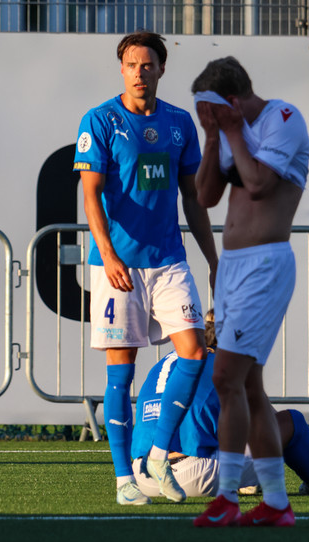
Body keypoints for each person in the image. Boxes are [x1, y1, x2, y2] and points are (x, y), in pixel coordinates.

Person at [73, 31, 219, 506]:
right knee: (122, 372)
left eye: (148, 64)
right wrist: (109, 255)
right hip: (118, 268)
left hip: (169, 262)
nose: (139, 72)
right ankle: (123, 480)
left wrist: (213, 259)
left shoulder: (179, 123)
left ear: (161, 69)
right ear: (122, 70)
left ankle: (158, 453)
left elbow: (193, 198)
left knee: (194, 352)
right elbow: (90, 194)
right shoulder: (100, 120)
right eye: (132, 64)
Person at [190, 57, 309, 527]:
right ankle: (276, 502)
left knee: (225, 377)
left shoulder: (283, 118)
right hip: (234, 269)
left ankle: (226, 496)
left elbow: (259, 184)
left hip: (265, 265)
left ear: (232, 101)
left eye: (210, 108)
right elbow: (205, 197)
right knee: (249, 387)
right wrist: (211, 138)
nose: (206, 116)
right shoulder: (224, 132)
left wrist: (233, 129)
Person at [130, 311, 309, 500]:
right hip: (193, 476)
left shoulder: (163, 363)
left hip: (144, 476)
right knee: (293, 421)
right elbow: (272, 423)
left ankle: (246, 481)